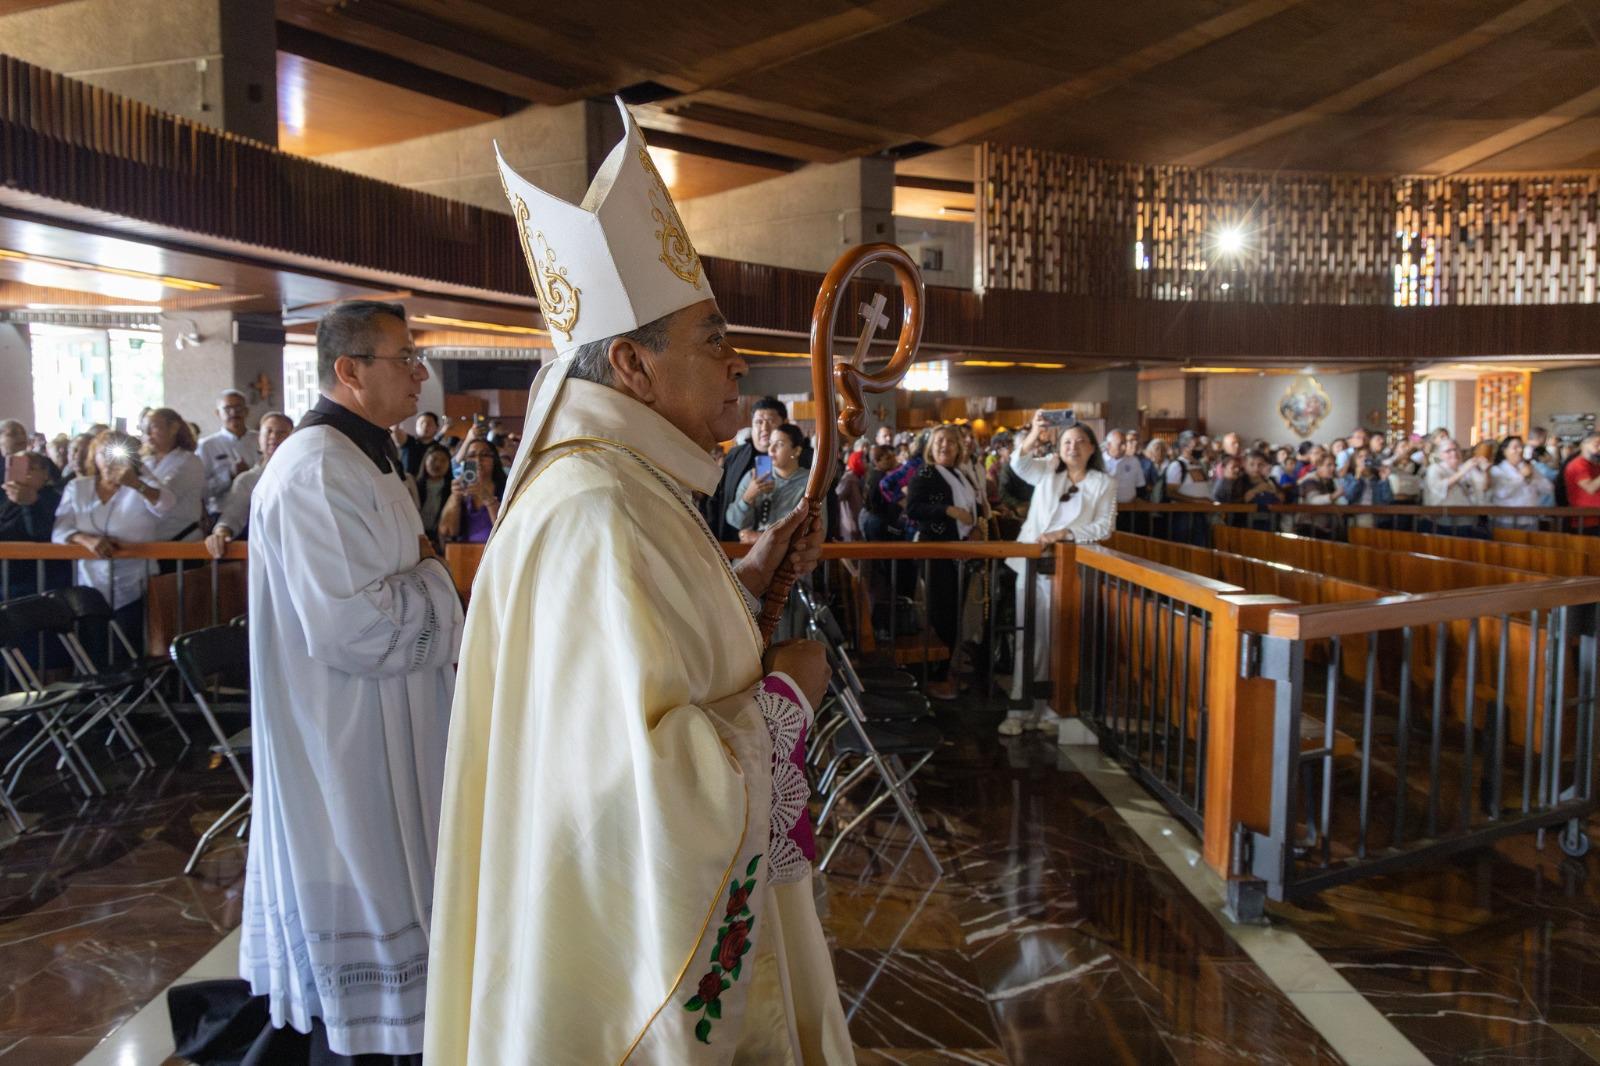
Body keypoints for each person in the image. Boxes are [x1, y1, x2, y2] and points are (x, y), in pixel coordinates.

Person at [427, 103, 851, 1064]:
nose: (739, 360)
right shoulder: (594, 512)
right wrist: (785, 698)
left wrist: (744, 580)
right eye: (712, 338)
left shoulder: (625, 486)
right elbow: (630, 800)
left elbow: (645, 679)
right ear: (631, 363)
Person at [179, 302, 464, 1065]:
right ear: (348, 370)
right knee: (366, 873)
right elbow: (353, 628)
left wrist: (431, 578)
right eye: (404, 356)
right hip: (347, 729)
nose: (420, 372)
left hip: (391, 715)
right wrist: (443, 585)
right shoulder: (312, 470)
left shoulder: (363, 455)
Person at [1003, 412, 1115, 737]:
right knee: (1029, 638)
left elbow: (1104, 526)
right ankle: (1019, 709)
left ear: (1093, 448)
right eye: (1067, 441)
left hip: (1069, 570)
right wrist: (1035, 433)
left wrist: (1064, 534)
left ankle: (1052, 710)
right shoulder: (1049, 469)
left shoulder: (1102, 483)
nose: (1073, 447)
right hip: (1033, 563)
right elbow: (1019, 465)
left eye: (1081, 441)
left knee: (1060, 638)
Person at [51, 430, 175, 656]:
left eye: (115, 454)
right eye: (102, 453)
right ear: (94, 457)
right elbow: (60, 529)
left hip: (136, 583)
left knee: (130, 649)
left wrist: (136, 484)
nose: (109, 460)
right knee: (95, 650)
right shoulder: (78, 488)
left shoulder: (142, 483)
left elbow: (166, 504)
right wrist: (85, 539)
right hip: (91, 583)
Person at [906, 424, 980, 701]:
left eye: (950, 442)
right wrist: (947, 510)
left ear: (959, 447)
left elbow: (972, 509)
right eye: (939, 441)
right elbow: (913, 508)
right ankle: (936, 676)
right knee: (942, 613)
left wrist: (974, 524)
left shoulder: (961, 474)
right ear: (930, 446)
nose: (944, 446)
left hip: (959, 551)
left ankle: (948, 668)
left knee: (954, 611)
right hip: (935, 550)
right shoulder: (925, 472)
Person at [204, 412, 294, 558]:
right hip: (261, 553)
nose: (273, 437)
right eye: (269, 431)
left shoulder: (301, 475)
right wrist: (220, 533)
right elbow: (232, 516)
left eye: (281, 432)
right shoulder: (247, 479)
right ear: (259, 439)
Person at [706, 397, 786, 540]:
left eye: (770, 421)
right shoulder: (734, 456)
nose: (764, 428)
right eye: (758, 422)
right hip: (733, 546)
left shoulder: (804, 458)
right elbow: (716, 498)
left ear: (784, 424)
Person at [726, 422, 809, 543]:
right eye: (770, 443)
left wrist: (758, 538)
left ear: (796, 451)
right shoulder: (753, 477)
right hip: (749, 555)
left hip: (789, 557)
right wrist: (748, 497)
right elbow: (734, 522)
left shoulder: (809, 482)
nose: (771, 449)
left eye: (779, 444)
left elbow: (812, 532)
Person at [140, 408, 206, 543]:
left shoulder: (188, 461)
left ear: (174, 428)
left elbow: (165, 499)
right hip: (150, 542)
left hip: (181, 539)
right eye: (144, 428)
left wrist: (137, 478)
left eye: (153, 427)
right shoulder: (146, 461)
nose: (147, 434)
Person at [196, 389, 259, 517]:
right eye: (227, 409)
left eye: (238, 408)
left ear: (247, 411)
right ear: (218, 413)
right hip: (222, 513)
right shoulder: (207, 446)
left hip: (257, 510)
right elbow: (201, 490)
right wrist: (229, 475)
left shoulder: (260, 439)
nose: (233, 413)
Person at [437, 436, 505, 543]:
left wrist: (488, 500)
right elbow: (447, 532)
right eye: (471, 455)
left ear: (494, 460)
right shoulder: (459, 489)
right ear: (464, 462)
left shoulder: (506, 490)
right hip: (463, 554)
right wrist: (455, 498)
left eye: (485, 455)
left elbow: (508, 531)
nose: (478, 460)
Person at [1423, 437, 1487, 536]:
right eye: (1448, 451)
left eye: (1456, 449)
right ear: (1440, 455)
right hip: (1444, 519)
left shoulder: (1466, 466)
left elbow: (1483, 487)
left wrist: (1485, 471)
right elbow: (1439, 487)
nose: (1454, 453)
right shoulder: (1435, 468)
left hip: (1469, 518)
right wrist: (1463, 471)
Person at [1487, 435, 1551, 529]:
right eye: (1515, 447)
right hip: (1507, 520)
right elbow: (1502, 493)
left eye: (1522, 447)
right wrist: (1521, 476)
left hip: (1531, 518)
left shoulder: (1529, 468)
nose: (1520, 450)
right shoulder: (1497, 470)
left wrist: (1532, 478)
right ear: (1504, 450)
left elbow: (1548, 488)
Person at [413, 442, 454, 546]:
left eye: (443, 460)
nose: (438, 464)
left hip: (440, 540)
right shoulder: (413, 486)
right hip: (415, 537)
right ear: (425, 461)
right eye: (434, 459)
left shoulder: (453, 489)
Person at [860, 444, 902, 541]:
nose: (892, 461)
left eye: (893, 457)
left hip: (871, 517)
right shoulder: (882, 479)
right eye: (888, 458)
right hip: (878, 519)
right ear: (877, 461)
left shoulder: (874, 474)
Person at [1560, 431, 1600, 530]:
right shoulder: (1577, 464)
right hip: (1585, 520)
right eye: (1597, 444)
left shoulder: (1595, 465)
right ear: (1584, 444)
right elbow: (1590, 487)